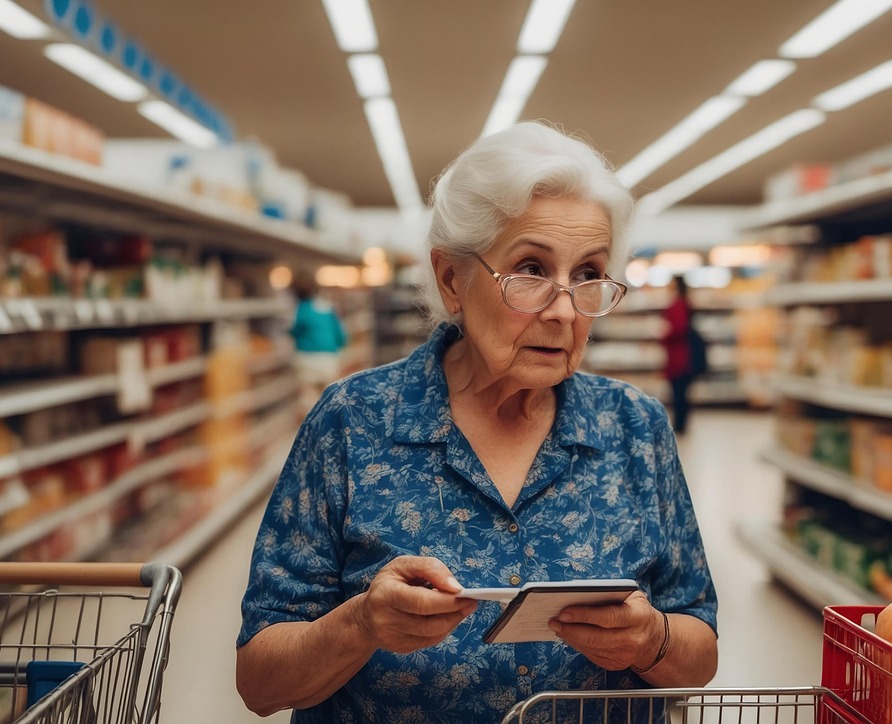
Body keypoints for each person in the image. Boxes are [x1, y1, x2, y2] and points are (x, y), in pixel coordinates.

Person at [236, 122, 718, 722]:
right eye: (531, 270)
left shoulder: (635, 428)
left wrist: (652, 641)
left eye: (589, 274)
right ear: (451, 280)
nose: (565, 310)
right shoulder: (351, 421)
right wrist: (359, 623)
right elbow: (259, 681)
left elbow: (699, 654)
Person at [287, 271, 347, 413]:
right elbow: (341, 336)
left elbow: (295, 331)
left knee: (309, 398)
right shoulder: (327, 308)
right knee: (330, 397)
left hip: (306, 359)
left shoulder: (301, 309)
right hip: (328, 359)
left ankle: (312, 429)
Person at [661, 275, 708, 436]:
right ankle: (681, 425)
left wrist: (664, 335)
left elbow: (677, 329)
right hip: (685, 355)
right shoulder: (686, 303)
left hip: (679, 356)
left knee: (678, 393)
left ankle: (679, 426)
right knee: (683, 393)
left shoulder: (677, 305)